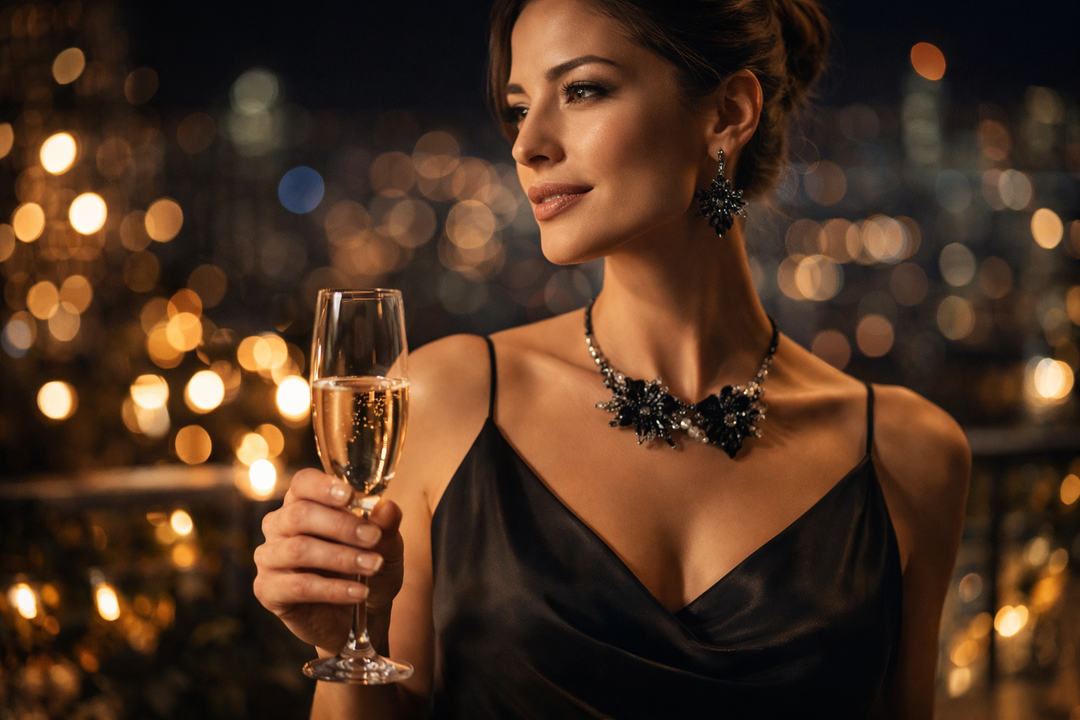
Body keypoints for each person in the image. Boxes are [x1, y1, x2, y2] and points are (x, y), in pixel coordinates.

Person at [254, 0, 971, 717]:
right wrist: (346, 643)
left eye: (582, 90)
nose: (527, 143)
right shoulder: (449, 401)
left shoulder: (911, 456)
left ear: (726, 113)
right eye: (518, 106)